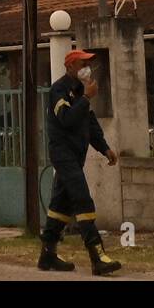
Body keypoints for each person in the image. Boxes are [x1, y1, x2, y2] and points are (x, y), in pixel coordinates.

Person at [40, 50, 122, 276]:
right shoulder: (59, 90)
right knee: (83, 200)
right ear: (70, 67)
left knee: (60, 205)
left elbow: (90, 125)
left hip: (77, 155)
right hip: (63, 154)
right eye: (82, 63)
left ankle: (48, 254)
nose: (88, 67)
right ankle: (98, 256)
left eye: (89, 63)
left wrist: (105, 148)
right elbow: (66, 119)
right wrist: (86, 98)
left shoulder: (81, 92)